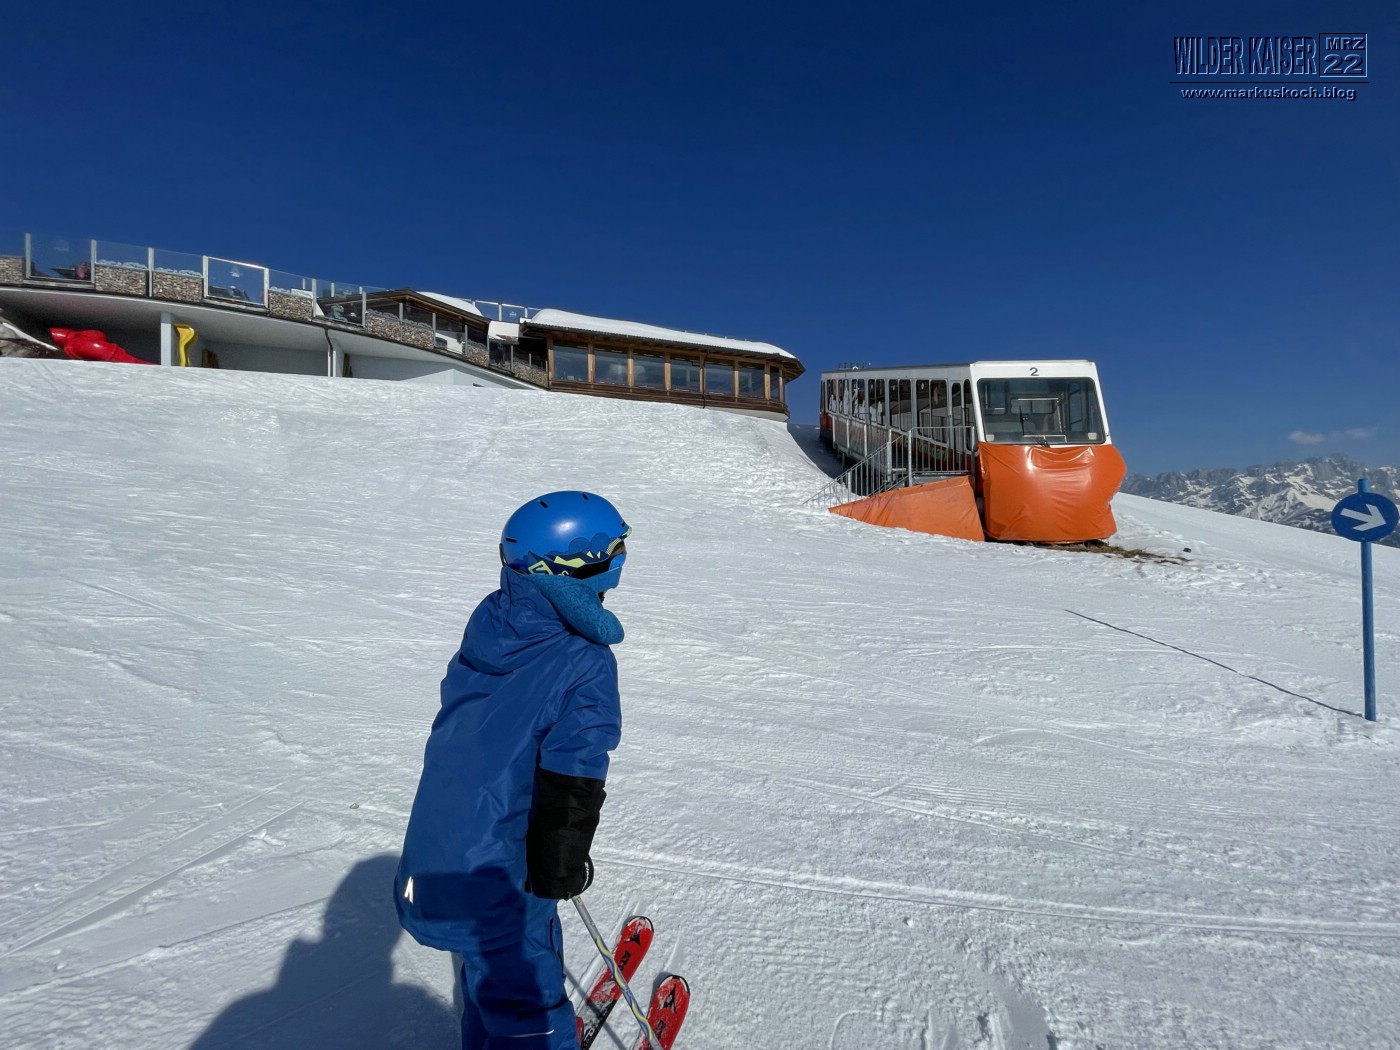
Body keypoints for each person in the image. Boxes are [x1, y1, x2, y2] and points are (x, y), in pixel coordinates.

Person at [395, 491, 631, 1050]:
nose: (622, 560)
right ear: (582, 564)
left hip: (439, 849)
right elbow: (575, 771)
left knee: (487, 970)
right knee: (525, 994)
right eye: (617, 550)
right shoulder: (584, 661)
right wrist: (559, 860)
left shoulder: (493, 625)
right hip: (502, 863)